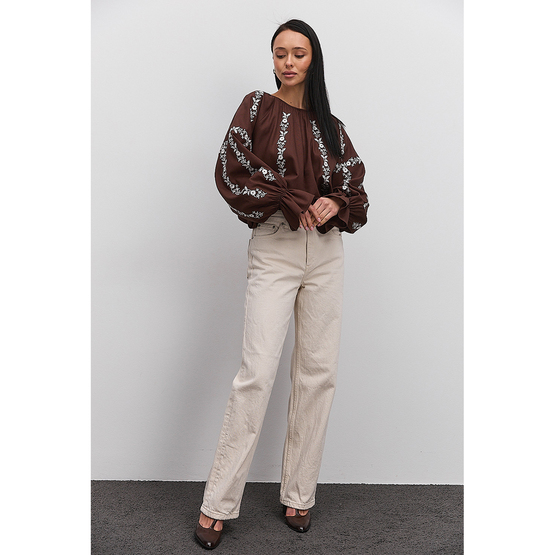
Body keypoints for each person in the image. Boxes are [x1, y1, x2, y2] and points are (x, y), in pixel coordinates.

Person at [194, 19, 368, 550]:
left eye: (299, 53)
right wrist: (295, 199)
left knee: (318, 373)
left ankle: (299, 493)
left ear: (314, 60)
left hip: (326, 253)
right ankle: (218, 503)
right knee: (257, 372)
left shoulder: (332, 126)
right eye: (280, 53)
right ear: (271, 59)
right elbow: (232, 169)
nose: (289, 62)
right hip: (275, 245)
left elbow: (355, 187)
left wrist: (333, 200)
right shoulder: (256, 108)